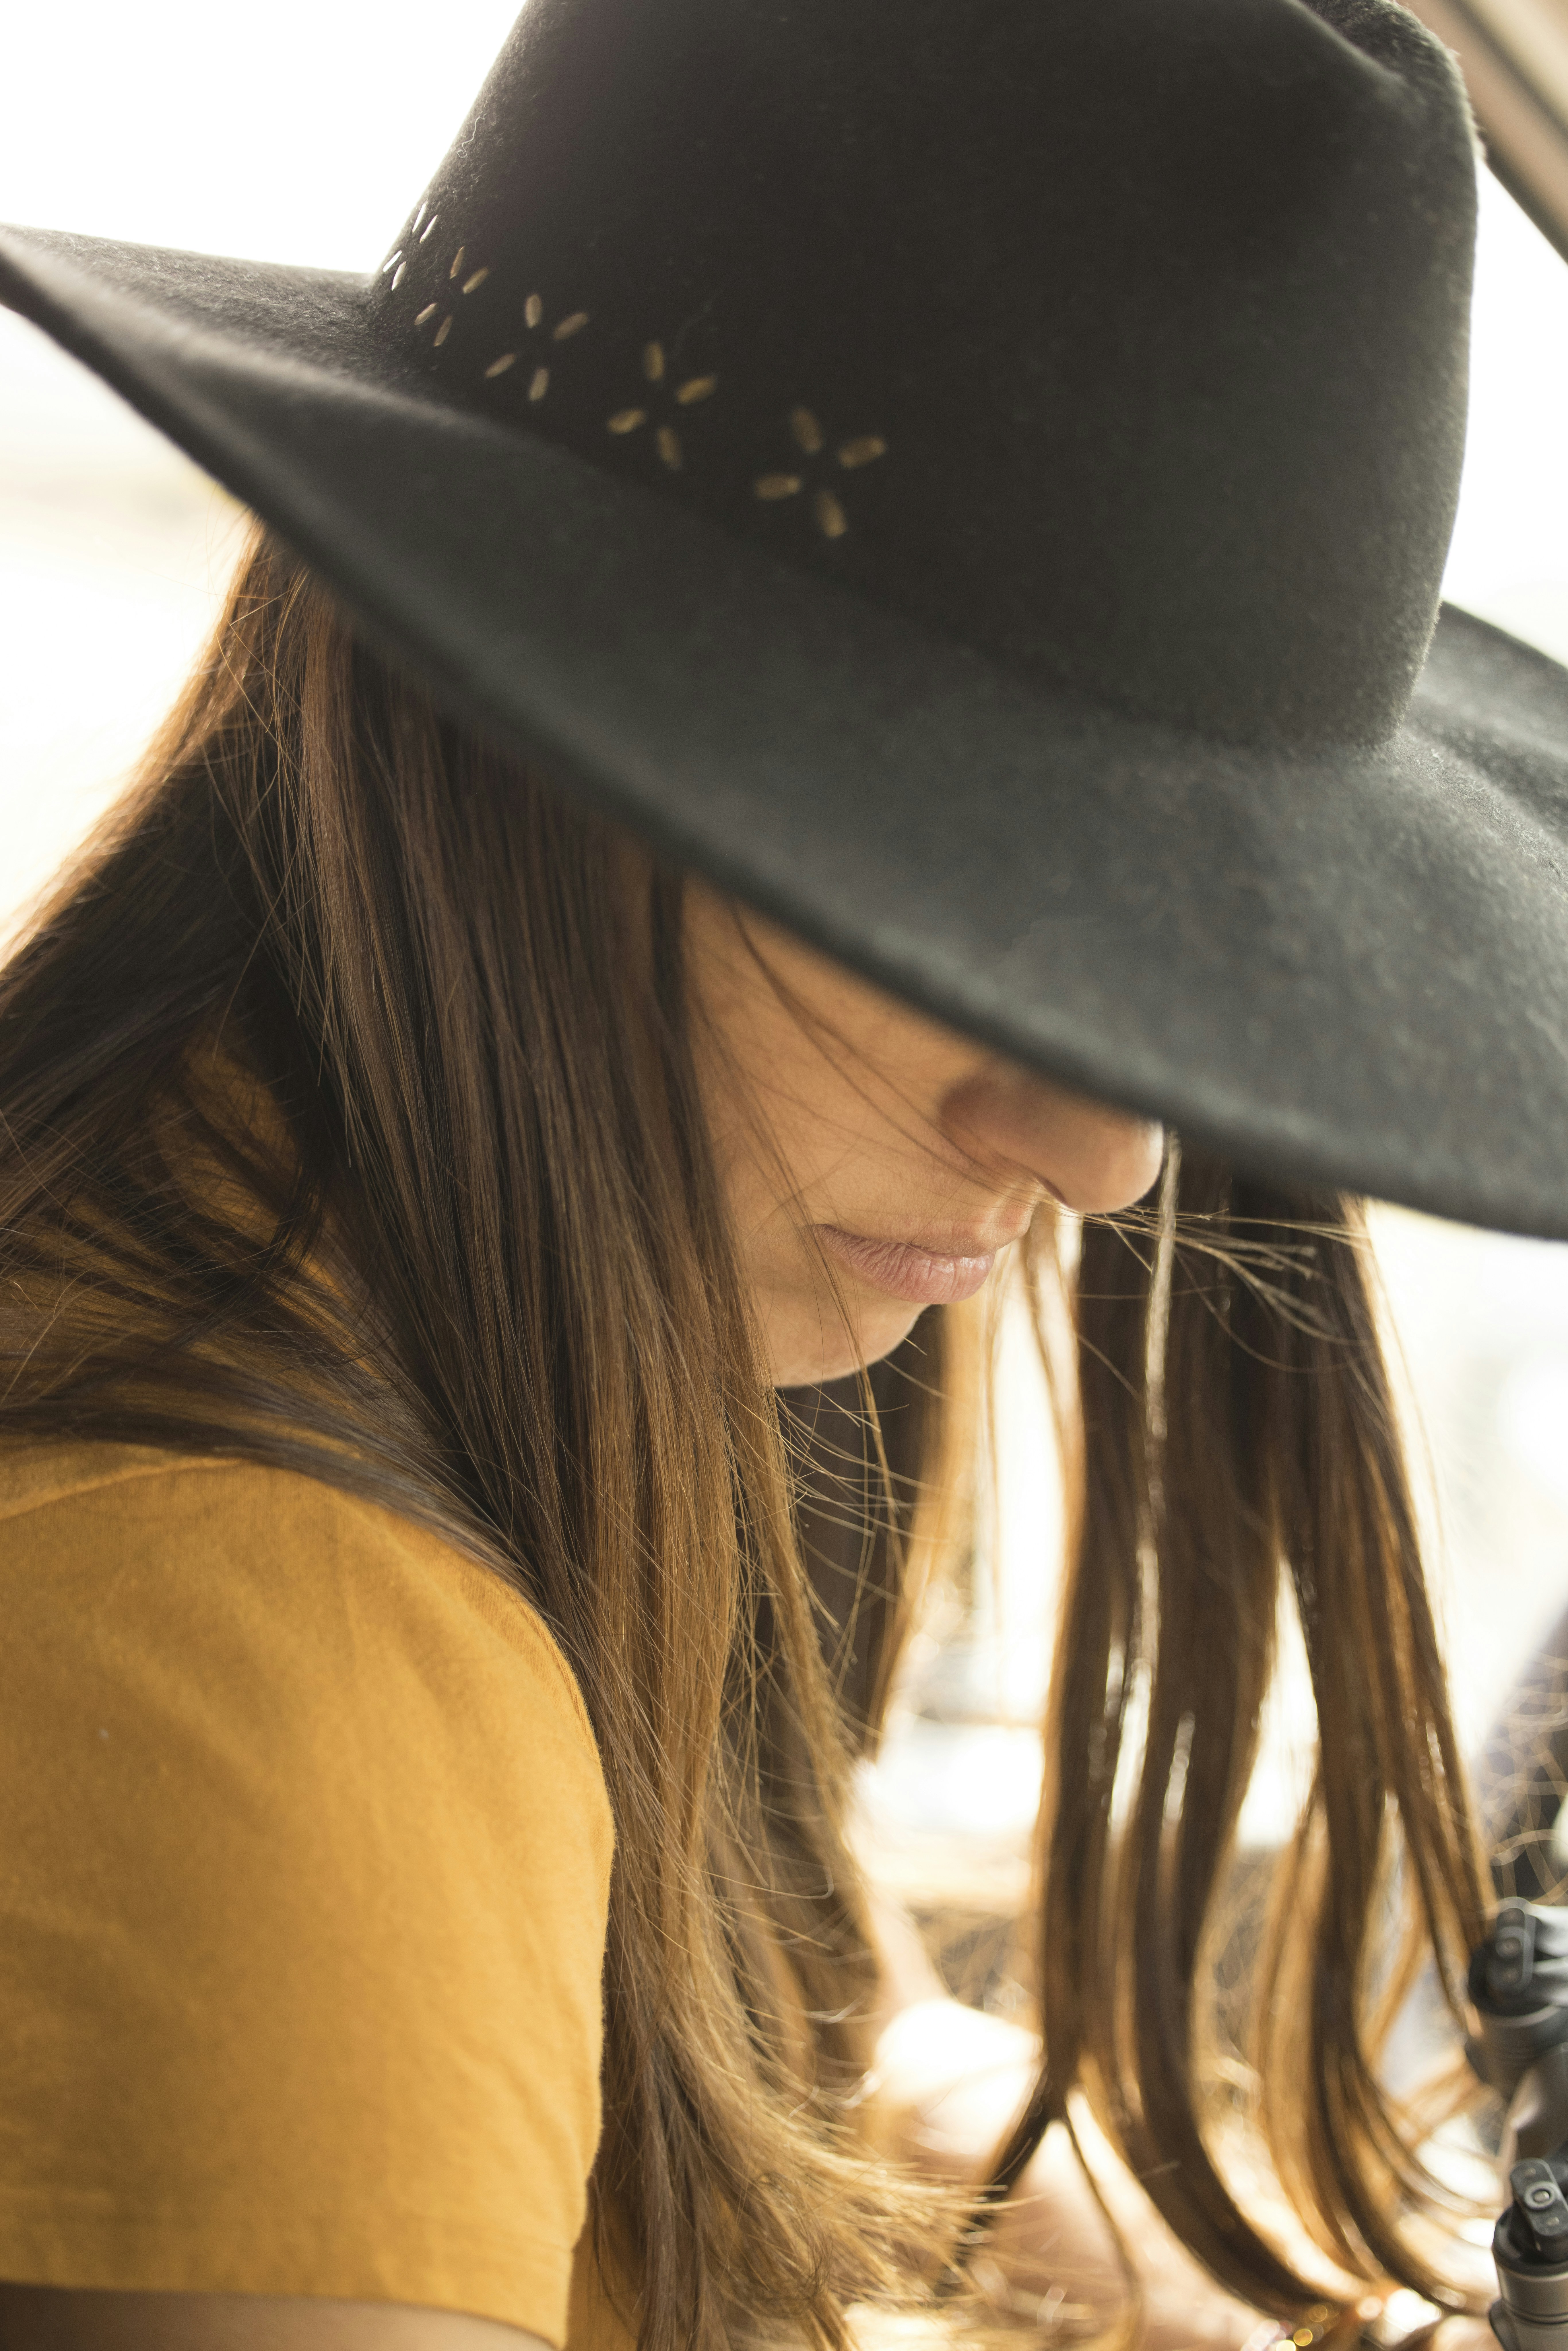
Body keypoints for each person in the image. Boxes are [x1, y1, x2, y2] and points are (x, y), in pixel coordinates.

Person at [1, 0, 1566, 2346]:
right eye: (954, 886)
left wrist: (1119, 2259)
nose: (1111, 1150)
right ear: (512, 713)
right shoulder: (263, 1645)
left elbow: (747, 1995)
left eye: (1146, 954)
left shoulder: (445, 1330)